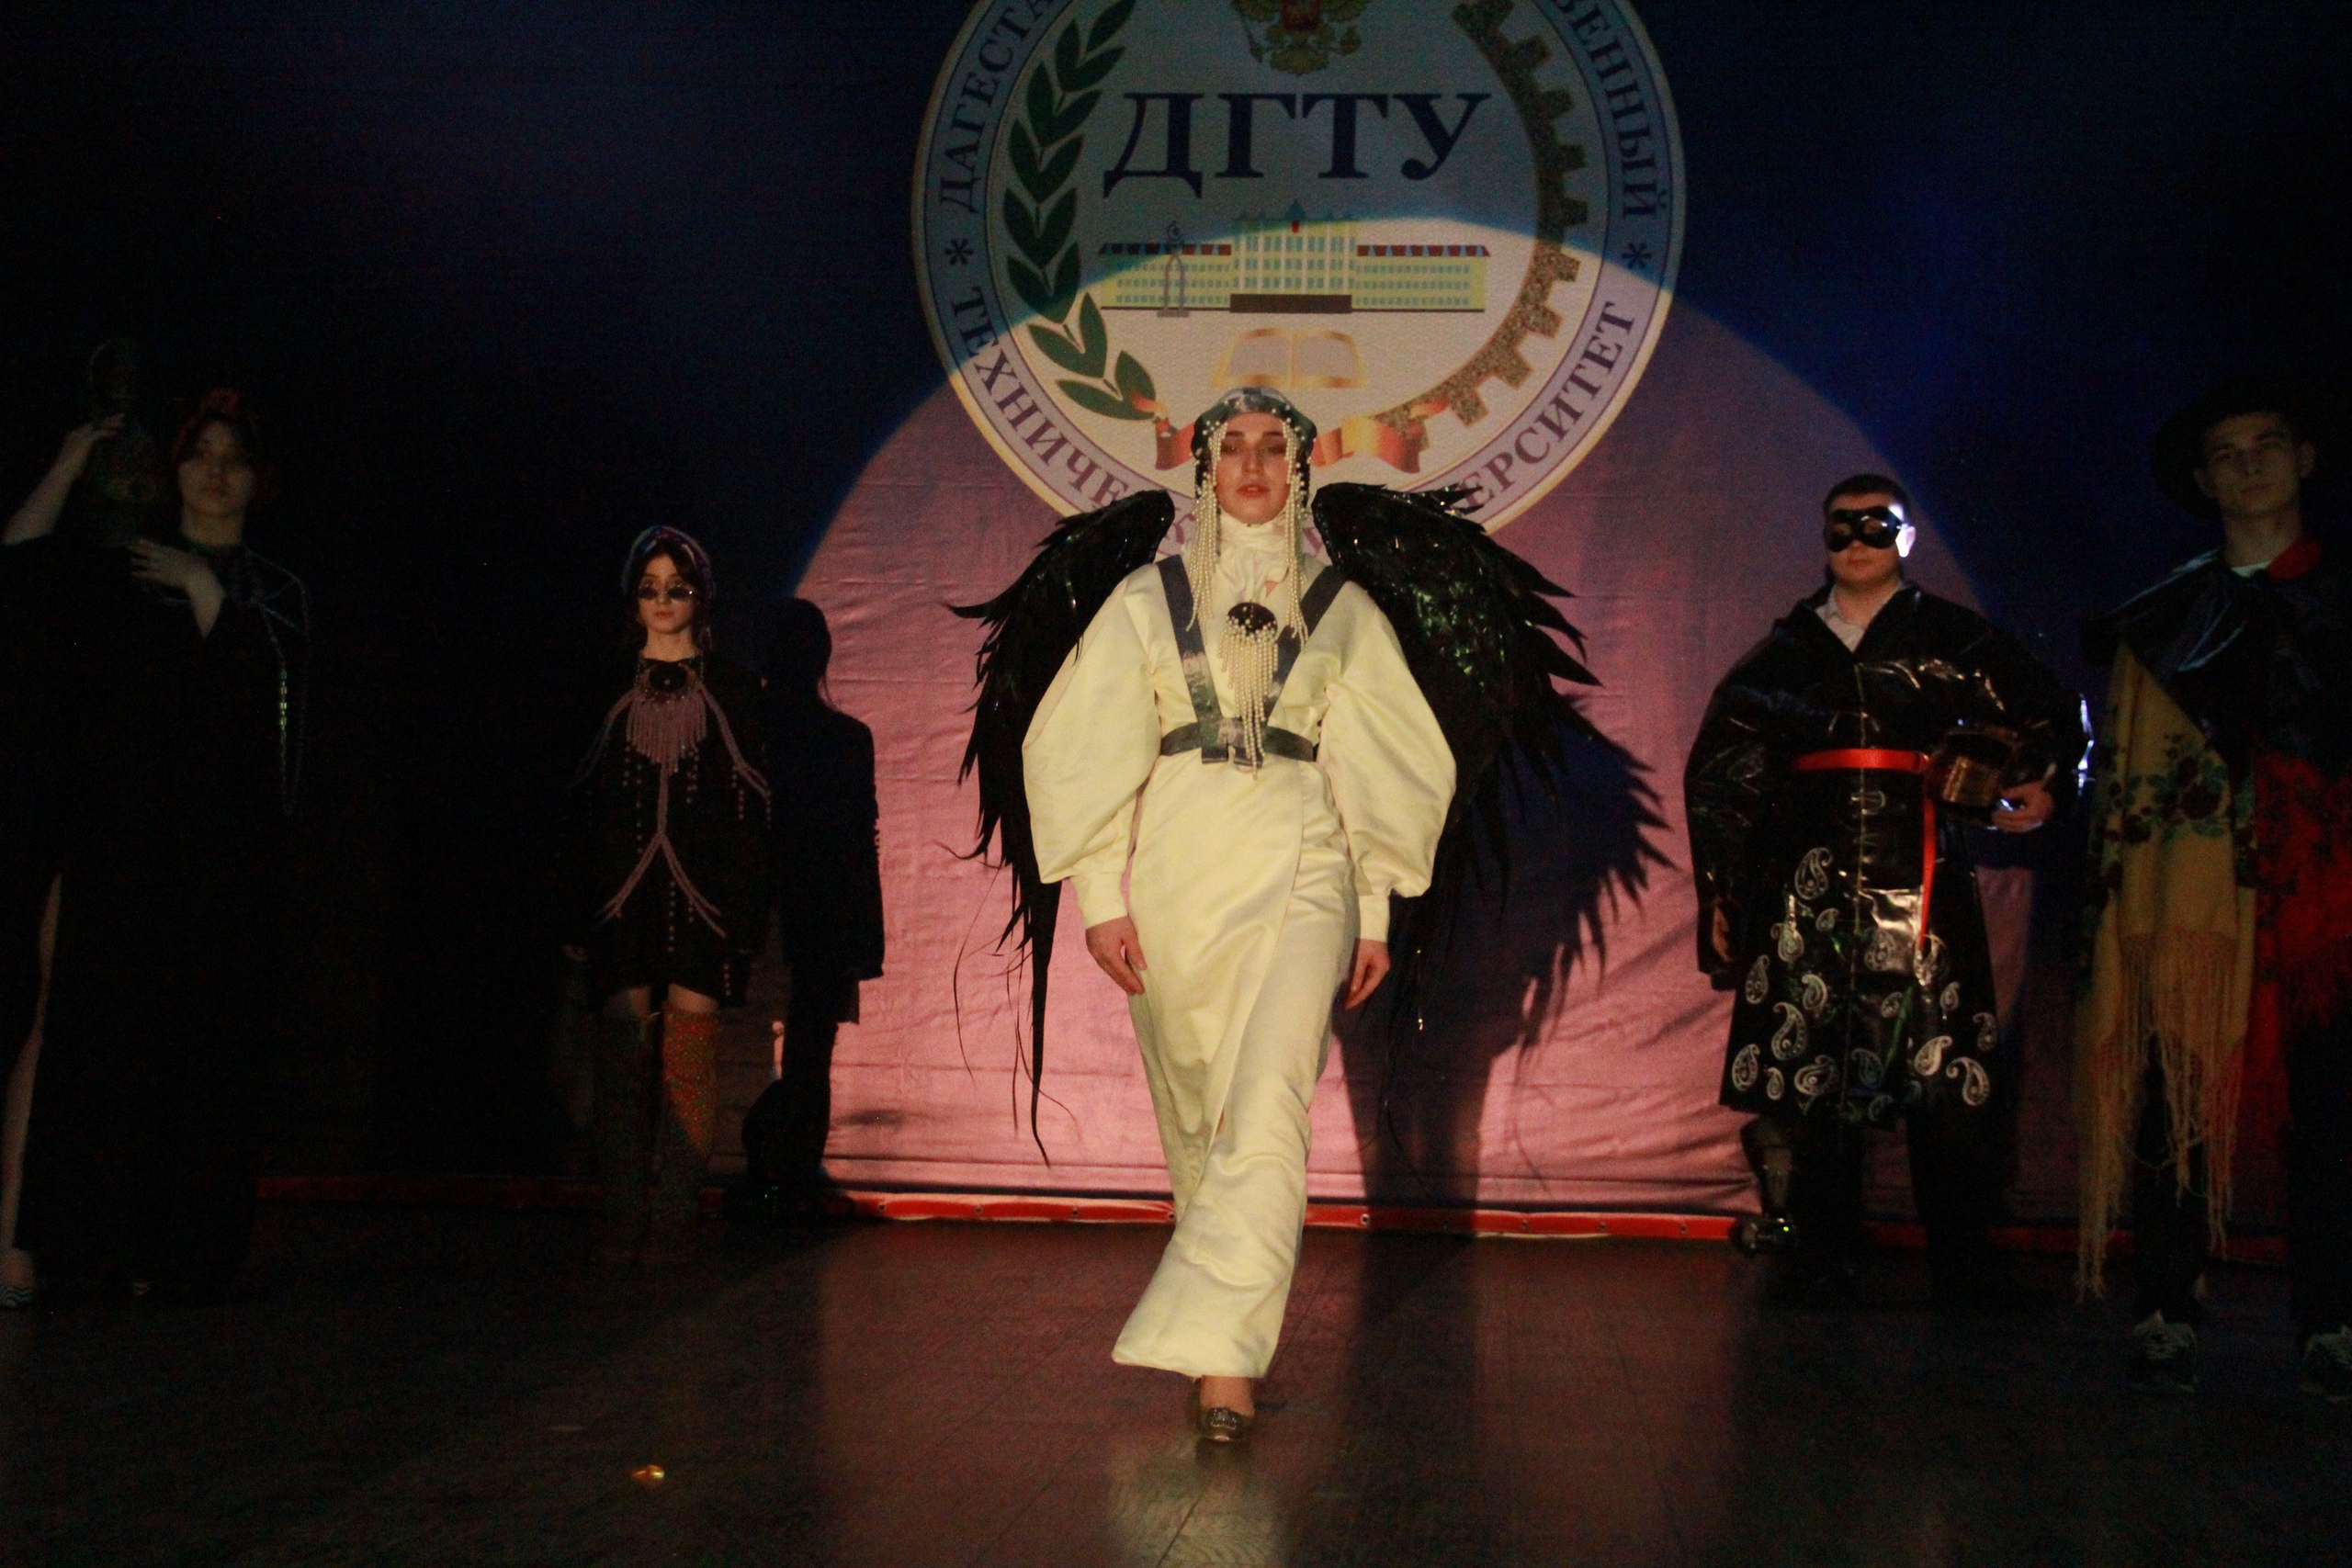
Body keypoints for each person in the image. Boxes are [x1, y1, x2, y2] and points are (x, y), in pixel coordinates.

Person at [1016, 390, 1455, 1439]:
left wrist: (1373, 910)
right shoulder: (1147, 597)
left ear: (1299, 470)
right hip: (1180, 866)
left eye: (1272, 449)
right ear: (1206, 471)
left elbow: (1380, 756)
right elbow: (1083, 748)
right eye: (1233, 449)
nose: (1252, 465)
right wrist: (1101, 897)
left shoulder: (1342, 605)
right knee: (1201, 1106)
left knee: (1268, 1106)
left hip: (1305, 862)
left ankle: (1224, 1362)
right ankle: (1215, 1325)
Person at [1685, 475, 2081, 1308]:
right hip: (1808, 880)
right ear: (1823, 536)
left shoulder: (1955, 638)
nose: (1859, 539)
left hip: (1922, 870)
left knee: (1944, 1072)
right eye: (1842, 526)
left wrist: (2044, 779)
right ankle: (1820, 1257)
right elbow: (1724, 774)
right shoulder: (1787, 651)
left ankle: (1962, 1264)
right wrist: (1723, 889)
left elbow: (2047, 708)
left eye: (1877, 524)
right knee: (1813, 1072)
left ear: (1906, 537)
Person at [3, 389, 310, 1304]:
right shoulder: (124, 565)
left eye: (233, 459)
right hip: (117, 847)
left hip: (217, 864)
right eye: (199, 454)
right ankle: (53, 1242)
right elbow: (22, 568)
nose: (214, 473)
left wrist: (206, 590)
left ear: (257, 478)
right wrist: (69, 462)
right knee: (85, 1039)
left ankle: (168, 1251)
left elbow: (272, 715)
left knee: (194, 1049)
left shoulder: (271, 591)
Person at [2078, 378, 2352, 1399]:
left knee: (2331, 1112)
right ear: (2202, 480)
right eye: (2228, 453)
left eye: (2267, 443)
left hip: (2324, 901)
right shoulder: (2164, 616)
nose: (2250, 464)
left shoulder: (2343, 599)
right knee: (2177, 1105)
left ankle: (2332, 1319)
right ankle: (2166, 1307)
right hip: (2194, 895)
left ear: (2304, 458)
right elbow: (2126, 768)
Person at [560, 527, 770, 1264]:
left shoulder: (735, 690)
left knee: (690, 1058)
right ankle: (622, 1216)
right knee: (622, 1058)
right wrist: (574, 907)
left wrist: (745, 912)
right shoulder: (604, 686)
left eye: (677, 587)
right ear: (632, 598)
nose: (663, 601)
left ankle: (675, 1219)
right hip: (620, 895)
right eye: (649, 588)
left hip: (704, 895)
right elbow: (577, 807)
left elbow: (754, 811)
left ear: (701, 597)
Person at [734, 599, 882, 1219]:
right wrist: (865, 937)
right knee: (806, 1055)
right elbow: (859, 842)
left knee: (801, 1053)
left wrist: (864, 937)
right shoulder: (831, 738)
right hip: (801, 911)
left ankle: (779, 1173)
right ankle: (784, 1175)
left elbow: (859, 840)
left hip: (791, 911)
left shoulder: (756, 732)